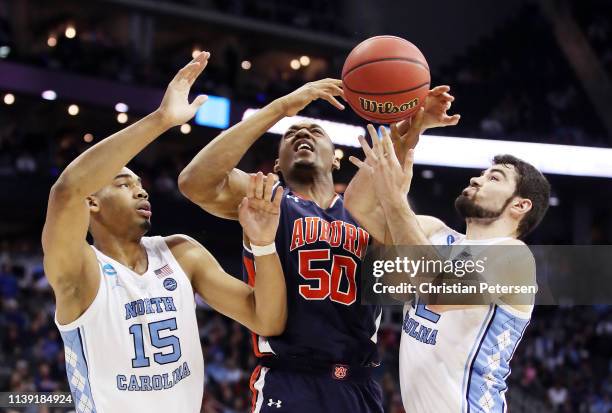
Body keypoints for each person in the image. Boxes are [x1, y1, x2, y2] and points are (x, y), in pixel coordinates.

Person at [178, 78, 458, 412]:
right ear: (278, 165)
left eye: (315, 131)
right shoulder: (267, 200)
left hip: (358, 383)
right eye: (290, 134)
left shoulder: (362, 212)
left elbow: (387, 165)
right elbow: (195, 182)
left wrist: (416, 125)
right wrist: (281, 108)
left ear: (335, 160)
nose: (302, 133)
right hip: (291, 378)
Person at [42, 51, 287, 413]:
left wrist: (264, 245)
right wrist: (161, 120)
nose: (142, 190)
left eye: (141, 184)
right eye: (124, 184)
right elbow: (67, 191)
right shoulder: (80, 272)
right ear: (91, 203)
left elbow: (266, 319)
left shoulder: (181, 253)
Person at [346, 110, 551, 413]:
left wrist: (394, 198)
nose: (477, 178)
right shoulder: (433, 232)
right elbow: (358, 204)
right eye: (482, 173)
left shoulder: (514, 257)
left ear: (520, 205)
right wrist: (405, 139)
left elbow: (437, 292)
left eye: (494, 177)